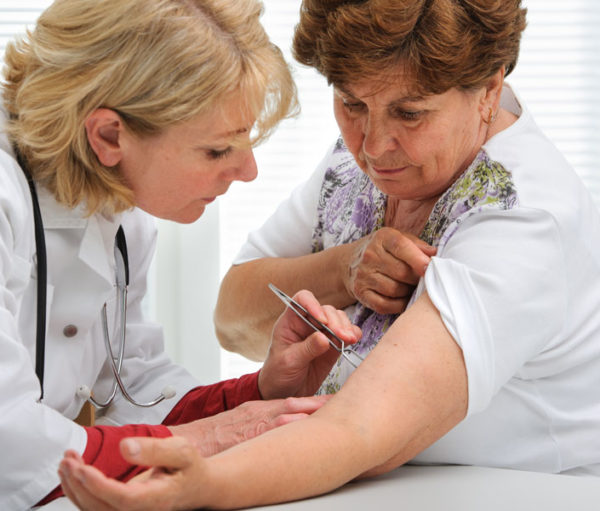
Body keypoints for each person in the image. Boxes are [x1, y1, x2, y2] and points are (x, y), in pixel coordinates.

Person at [59, 0, 600, 509]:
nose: (372, 144)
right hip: (363, 485)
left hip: (514, 495)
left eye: (410, 114)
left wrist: (207, 482)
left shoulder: (522, 215)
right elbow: (231, 318)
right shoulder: (373, 156)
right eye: (351, 103)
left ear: (488, 89)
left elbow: (365, 429)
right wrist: (345, 267)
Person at [0, 0, 362, 509]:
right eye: (217, 150)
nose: (250, 171)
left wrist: (256, 392)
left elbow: (135, 390)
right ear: (108, 135)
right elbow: (8, 439)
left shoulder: (120, 206)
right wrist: (209, 439)